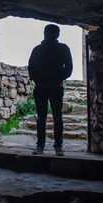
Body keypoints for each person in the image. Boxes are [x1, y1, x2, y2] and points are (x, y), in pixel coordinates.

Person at [28, 24, 73, 156]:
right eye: (48, 32)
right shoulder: (41, 49)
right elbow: (31, 67)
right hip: (44, 87)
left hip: (54, 87)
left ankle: (56, 146)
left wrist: (57, 78)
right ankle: (41, 146)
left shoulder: (60, 49)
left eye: (51, 32)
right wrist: (39, 79)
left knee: (56, 118)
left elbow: (69, 68)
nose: (49, 35)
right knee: (44, 118)